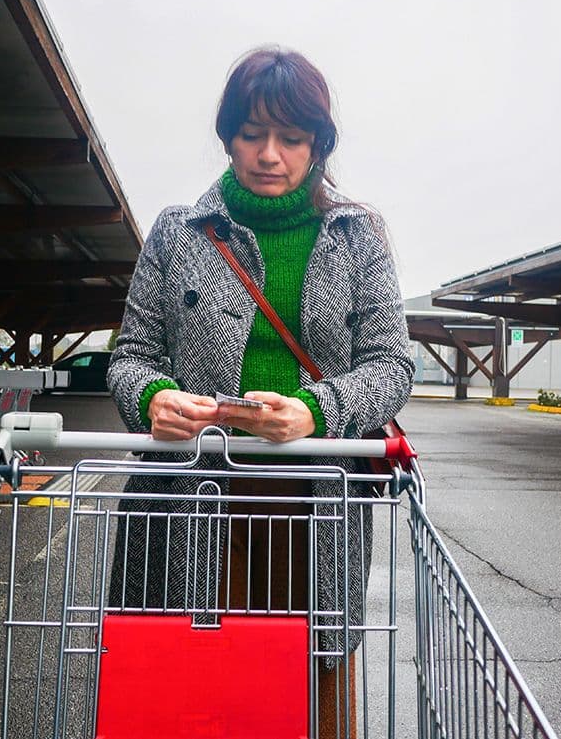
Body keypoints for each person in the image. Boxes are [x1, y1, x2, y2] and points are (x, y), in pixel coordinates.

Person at [106, 46, 414, 737]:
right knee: (198, 682)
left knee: (311, 680)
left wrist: (316, 409)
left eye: (291, 137)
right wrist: (154, 395)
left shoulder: (356, 236)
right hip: (194, 501)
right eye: (252, 133)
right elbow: (128, 358)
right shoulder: (177, 233)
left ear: (317, 145)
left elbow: (393, 365)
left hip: (318, 506)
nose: (269, 153)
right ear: (228, 136)